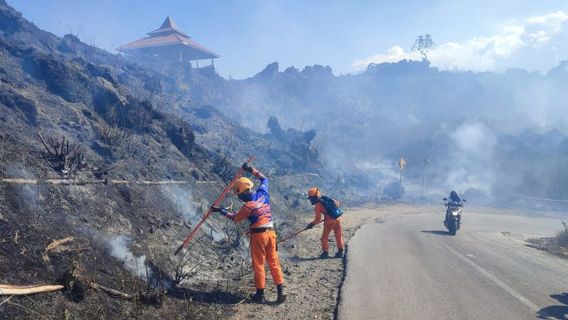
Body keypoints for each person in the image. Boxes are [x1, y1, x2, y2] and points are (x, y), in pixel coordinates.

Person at [211, 162, 286, 304]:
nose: (240, 198)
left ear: (245, 191)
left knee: (259, 265)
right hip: (271, 234)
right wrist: (251, 169)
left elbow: (235, 218)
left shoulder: (248, 206)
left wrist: (221, 210)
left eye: (239, 195)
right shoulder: (263, 194)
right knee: (274, 263)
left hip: (259, 236)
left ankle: (260, 294)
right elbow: (264, 179)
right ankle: (281, 292)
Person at [306, 187, 344, 258]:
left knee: (324, 238)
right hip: (337, 219)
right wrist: (330, 213)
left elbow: (317, 219)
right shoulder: (326, 199)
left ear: (314, 197)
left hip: (329, 222)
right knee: (338, 235)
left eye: (311, 198)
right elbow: (337, 204)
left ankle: (325, 253)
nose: (311, 200)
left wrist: (311, 224)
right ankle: (340, 251)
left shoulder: (317, 206)